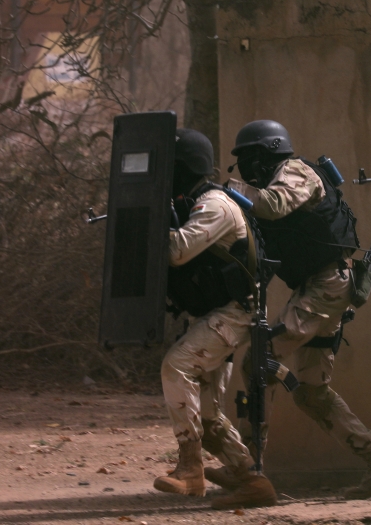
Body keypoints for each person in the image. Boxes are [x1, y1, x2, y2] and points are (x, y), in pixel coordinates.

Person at [226, 120, 371, 499]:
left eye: (249, 158)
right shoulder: (270, 185)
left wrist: (224, 188)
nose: (245, 168)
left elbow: (273, 206)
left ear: (269, 153)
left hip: (328, 287)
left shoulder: (295, 172)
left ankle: (250, 471)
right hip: (320, 288)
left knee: (257, 361)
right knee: (311, 393)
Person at [154, 128, 277, 509]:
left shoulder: (215, 205)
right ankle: (252, 481)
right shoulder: (191, 202)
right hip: (217, 313)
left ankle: (190, 470)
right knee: (206, 416)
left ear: (184, 167)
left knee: (177, 366)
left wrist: (146, 221)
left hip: (237, 312)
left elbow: (176, 250)